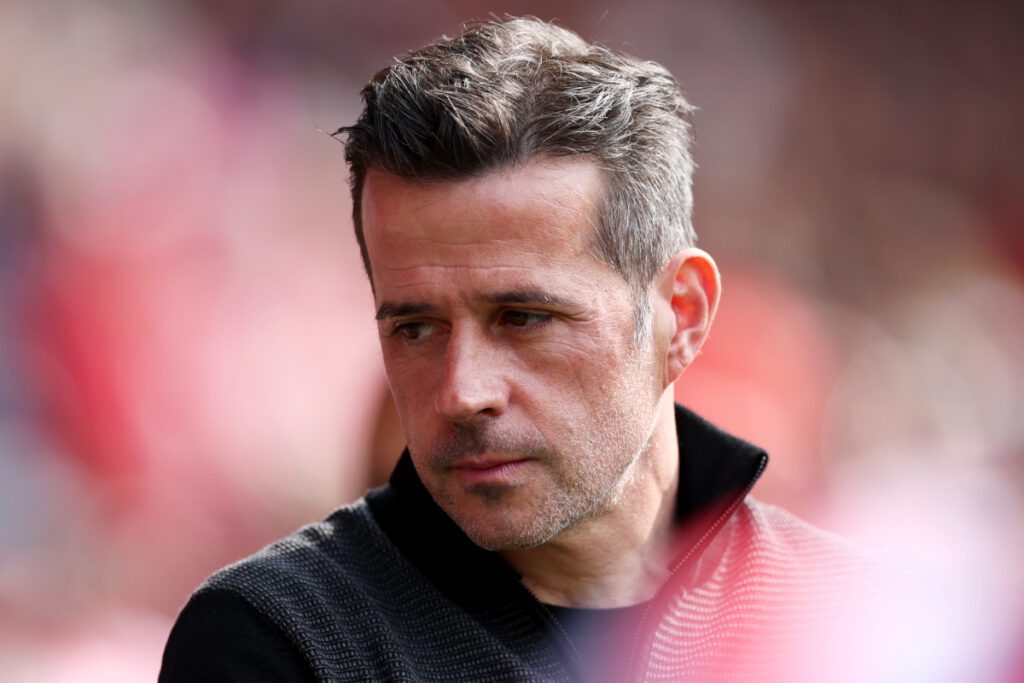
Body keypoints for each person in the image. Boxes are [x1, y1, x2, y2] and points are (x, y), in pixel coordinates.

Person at [160, 17, 900, 682]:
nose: (462, 391)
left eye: (523, 318)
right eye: (416, 327)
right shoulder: (277, 640)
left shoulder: (858, 623)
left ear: (681, 314)